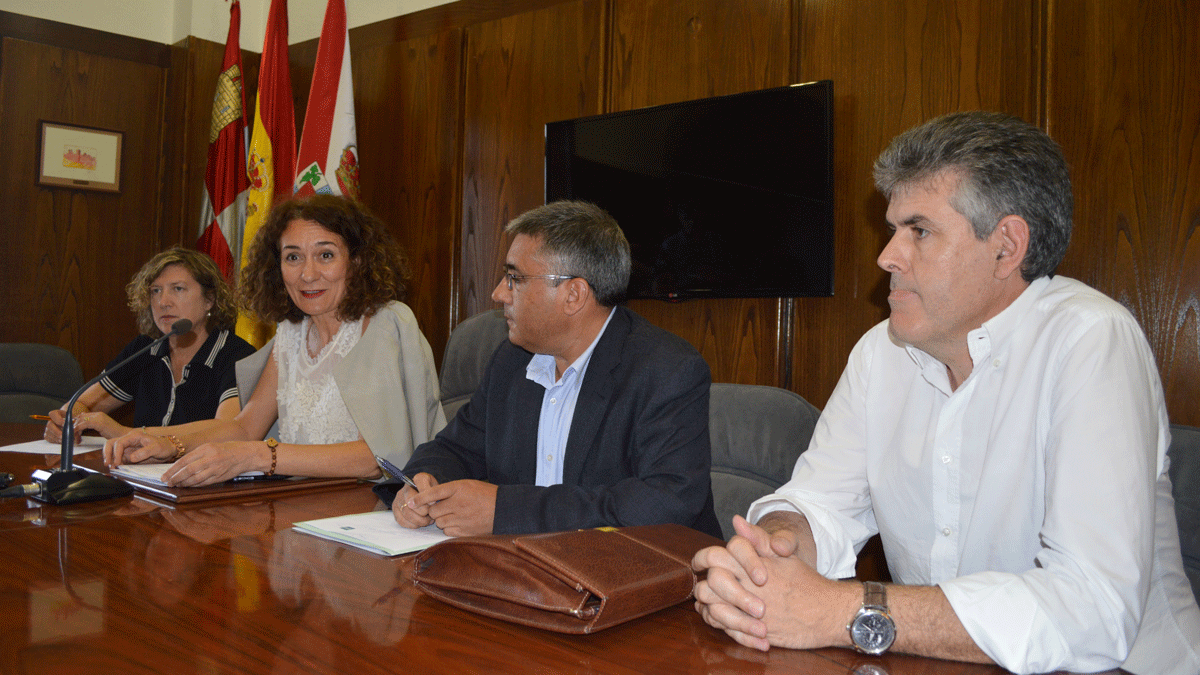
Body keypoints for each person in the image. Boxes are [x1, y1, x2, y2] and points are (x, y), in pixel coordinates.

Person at [691, 112, 1200, 674]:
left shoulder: (1091, 340)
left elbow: (1093, 609)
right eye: (893, 230)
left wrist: (843, 610)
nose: (887, 256)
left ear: (1006, 247)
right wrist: (770, 557)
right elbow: (820, 501)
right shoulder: (881, 351)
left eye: (919, 231)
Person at [380, 200, 722, 538]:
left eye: (515, 278)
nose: (498, 293)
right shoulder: (513, 360)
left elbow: (665, 503)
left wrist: (506, 511)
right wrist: (424, 482)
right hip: (527, 571)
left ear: (573, 294)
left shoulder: (667, 370)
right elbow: (456, 447)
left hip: (638, 575)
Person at [104, 195, 446, 486]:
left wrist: (258, 456)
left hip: (366, 515)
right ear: (276, 267)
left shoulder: (386, 324)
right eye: (293, 257)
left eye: (325, 255)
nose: (307, 274)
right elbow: (243, 427)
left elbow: (377, 458)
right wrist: (168, 443)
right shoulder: (291, 333)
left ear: (356, 261)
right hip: (292, 509)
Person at [44, 247, 255, 443]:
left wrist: (129, 434)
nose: (163, 301)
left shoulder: (236, 355)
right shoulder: (146, 349)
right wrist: (65, 422)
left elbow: (228, 431)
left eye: (178, 289)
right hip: (141, 476)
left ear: (210, 300)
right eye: (155, 291)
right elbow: (83, 404)